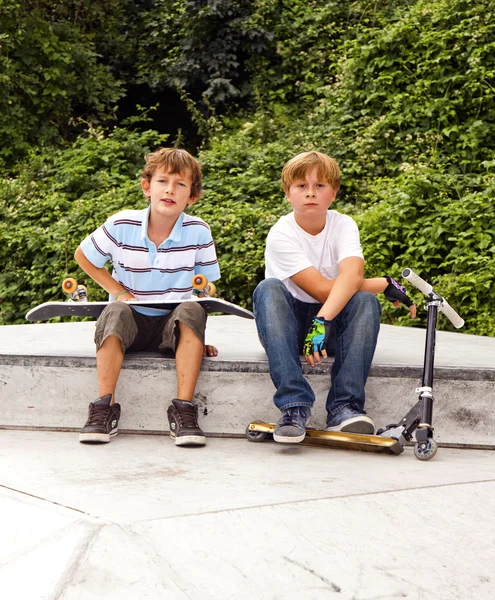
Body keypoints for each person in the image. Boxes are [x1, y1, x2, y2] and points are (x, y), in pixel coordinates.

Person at [253, 151, 414, 443]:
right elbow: (323, 289)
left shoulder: (343, 225)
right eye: (301, 186)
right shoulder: (281, 234)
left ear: (334, 193)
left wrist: (323, 320)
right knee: (268, 288)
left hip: (330, 327)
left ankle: (345, 407)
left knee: (364, 301)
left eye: (320, 186)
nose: (311, 193)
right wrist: (382, 282)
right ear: (287, 194)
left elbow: (351, 277)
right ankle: (294, 405)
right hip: (288, 328)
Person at [74, 148, 220, 447]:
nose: (170, 189)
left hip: (173, 324)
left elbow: (206, 287)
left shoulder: (199, 231)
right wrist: (118, 290)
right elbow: (84, 256)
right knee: (115, 311)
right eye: (163, 181)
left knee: (192, 309)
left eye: (181, 184)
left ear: (192, 196)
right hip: (131, 323)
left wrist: (194, 334)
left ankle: (184, 411)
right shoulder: (121, 224)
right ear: (147, 187)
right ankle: (104, 408)